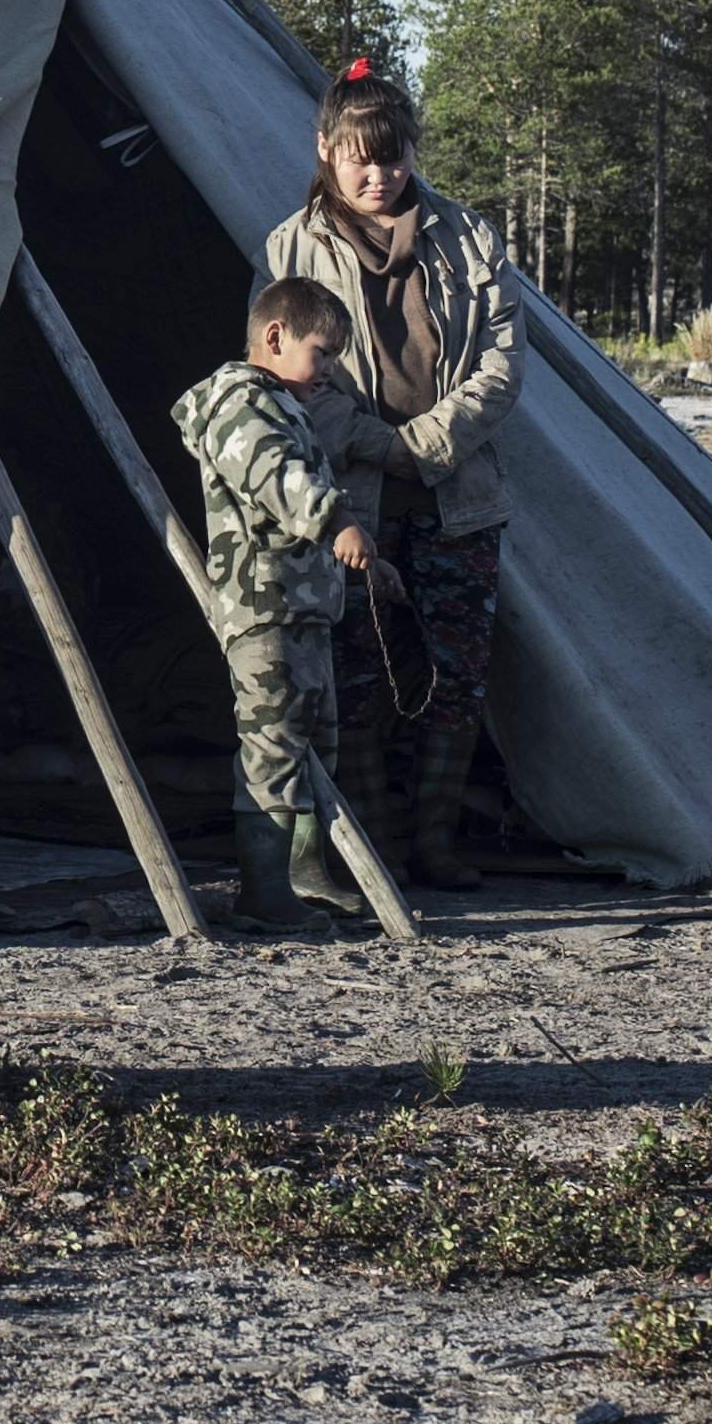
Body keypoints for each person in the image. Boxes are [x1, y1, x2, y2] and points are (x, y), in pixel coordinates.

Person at [263, 60, 521, 888]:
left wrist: (430, 443)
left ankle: (436, 843)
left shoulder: (469, 241)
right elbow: (289, 376)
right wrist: (380, 444)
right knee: (360, 674)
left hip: (457, 501)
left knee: (454, 673)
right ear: (326, 151)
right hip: (353, 501)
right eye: (357, 157)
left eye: (393, 156)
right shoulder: (292, 247)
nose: (377, 175)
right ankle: (371, 845)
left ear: (414, 151)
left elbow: (502, 365)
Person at [169, 277, 386, 931]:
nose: (327, 370)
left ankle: (305, 874)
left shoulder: (282, 404)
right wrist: (336, 520)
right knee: (271, 747)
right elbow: (275, 479)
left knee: (313, 741)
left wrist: (372, 561)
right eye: (321, 352)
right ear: (275, 337)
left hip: (303, 604)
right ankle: (264, 894)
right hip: (263, 604)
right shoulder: (241, 405)